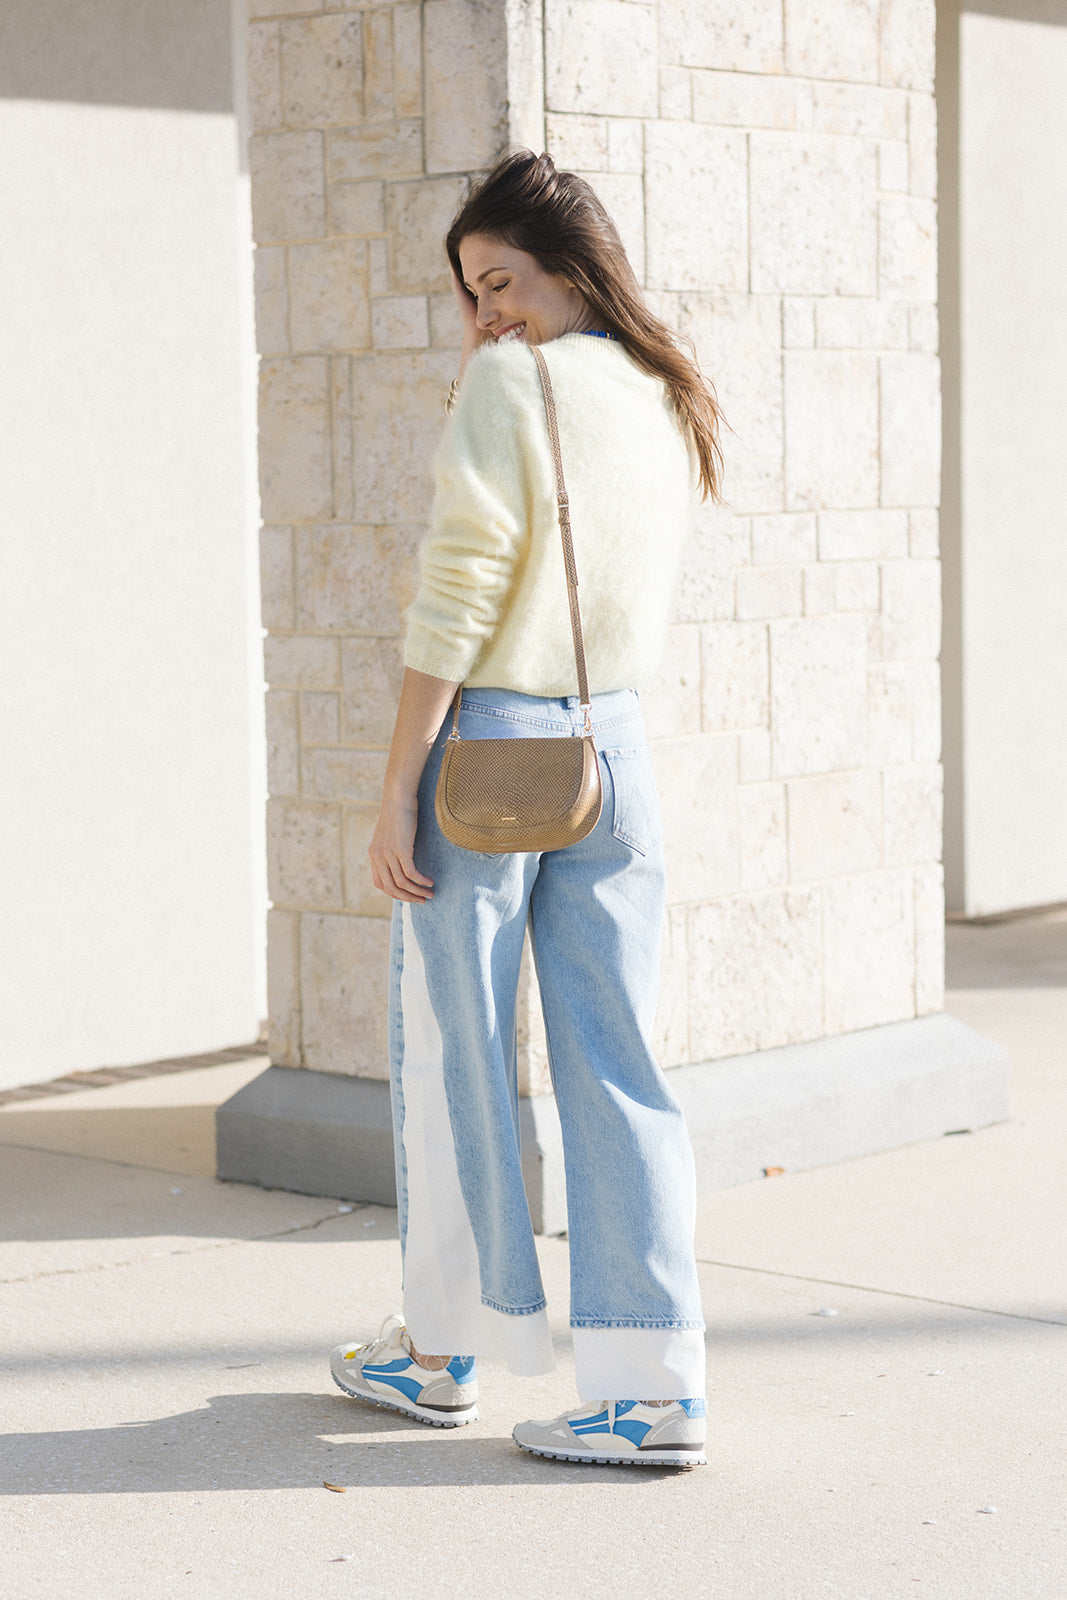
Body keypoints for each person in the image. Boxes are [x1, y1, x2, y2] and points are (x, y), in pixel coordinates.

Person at [329, 149, 724, 1469]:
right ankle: (650, 1384)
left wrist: (399, 786)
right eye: (470, 293)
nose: (487, 313)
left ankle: (442, 1350)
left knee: (454, 1055)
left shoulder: (510, 385)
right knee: (619, 1062)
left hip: (489, 749)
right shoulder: (664, 391)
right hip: (613, 749)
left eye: (502, 281)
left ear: (573, 267)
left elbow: (457, 594)